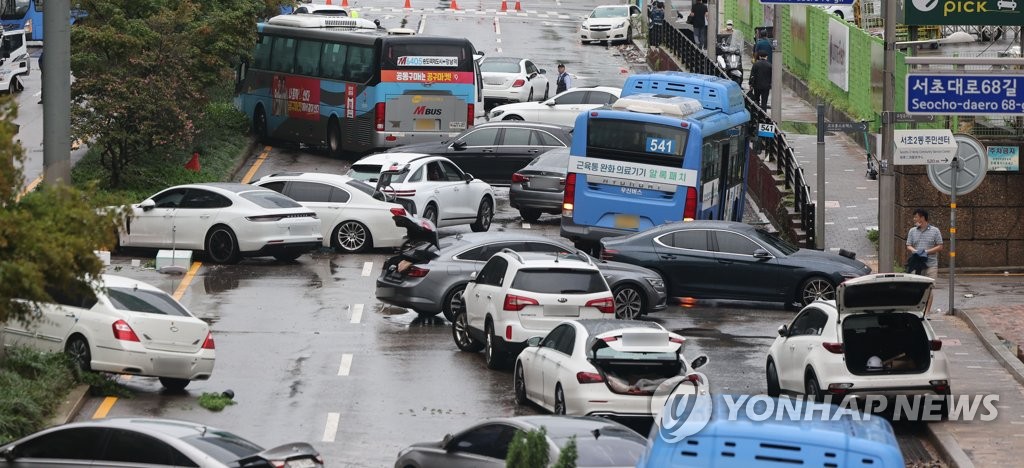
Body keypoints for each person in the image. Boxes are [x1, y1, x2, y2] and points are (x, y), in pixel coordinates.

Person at [906, 208, 943, 279]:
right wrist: (914, 251)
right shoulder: (912, 231)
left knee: (930, 287)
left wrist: (926, 252)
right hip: (916, 264)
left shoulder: (935, 230)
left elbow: (940, 246)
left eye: (916, 217)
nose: (914, 219)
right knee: (916, 287)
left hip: (931, 265)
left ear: (922, 218)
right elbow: (908, 245)